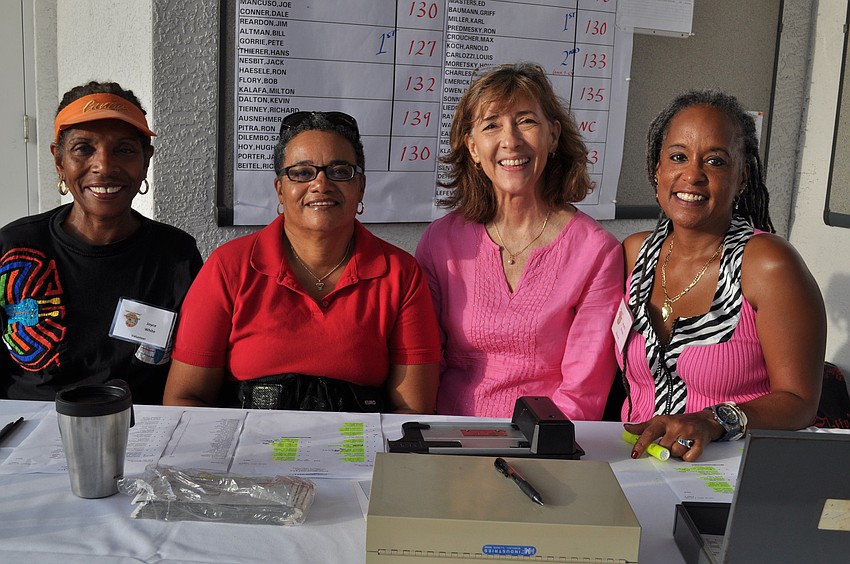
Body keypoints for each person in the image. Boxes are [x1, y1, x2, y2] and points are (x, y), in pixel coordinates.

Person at [164, 111, 441, 413]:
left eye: (339, 171)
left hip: (358, 455)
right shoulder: (228, 268)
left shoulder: (400, 274)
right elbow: (185, 399)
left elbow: (413, 410)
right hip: (249, 454)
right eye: (302, 172)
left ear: (360, 187)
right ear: (280, 189)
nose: (321, 184)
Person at [620, 90, 826, 461]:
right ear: (658, 170)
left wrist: (714, 419)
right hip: (635, 462)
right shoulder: (635, 254)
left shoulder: (768, 264)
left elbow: (799, 402)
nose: (692, 175)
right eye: (678, 157)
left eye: (715, 161)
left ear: (742, 177)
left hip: (730, 472)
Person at [415, 63, 624, 419]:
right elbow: (423, 363)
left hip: (545, 445)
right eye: (492, 125)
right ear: (473, 148)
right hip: (449, 436)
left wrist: (537, 449)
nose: (510, 140)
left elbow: (583, 392)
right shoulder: (440, 242)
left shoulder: (596, 251)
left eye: (526, 121)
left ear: (553, 136)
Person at [0, 81, 203, 404]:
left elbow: (193, 369)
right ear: (59, 160)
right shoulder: (13, 247)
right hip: (29, 431)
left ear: (145, 161)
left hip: (138, 432)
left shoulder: (176, 254)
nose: (105, 166)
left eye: (124, 150)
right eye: (83, 148)